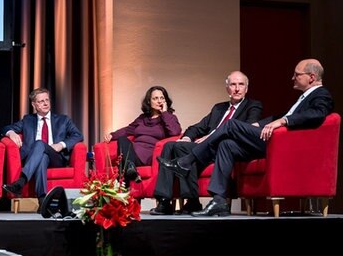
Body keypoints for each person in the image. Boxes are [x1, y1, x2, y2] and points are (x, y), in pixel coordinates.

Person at [158, 58, 333, 217]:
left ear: (311, 77)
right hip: (272, 138)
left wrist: (284, 121)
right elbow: (281, 115)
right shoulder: (304, 96)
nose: (293, 78)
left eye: (297, 74)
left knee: (231, 125)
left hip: (281, 144)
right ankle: (219, 200)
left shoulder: (321, 94)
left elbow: (317, 114)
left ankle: (186, 161)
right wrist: (263, 123)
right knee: (227, 144)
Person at [151, 71, 263, 215]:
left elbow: (244, 132)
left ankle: (191, 201)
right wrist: (187, 138)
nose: (237, 88)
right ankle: (165, 201)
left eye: (241, 85)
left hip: (224, 148)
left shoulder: (253, 106)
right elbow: (197, 127)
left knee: (181, 149)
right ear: (227, 89)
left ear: (246, 89)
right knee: (171, 145)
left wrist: (211, 136)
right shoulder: (219, 108)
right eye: (233, 84)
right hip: (206, 149)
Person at [1, 87, 84, 211]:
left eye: (47, 100)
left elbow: (78, 135)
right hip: (35, 157)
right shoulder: (28, 120)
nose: (45, 103)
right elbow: (5, 128)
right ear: (34, 105)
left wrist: (61, 144)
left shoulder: (63, 120)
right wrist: (11, 133)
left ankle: (21, 181)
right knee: (42, 156)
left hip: (56, 158)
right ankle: (42, 201)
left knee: (40, 144)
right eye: (41, 101)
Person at [104, 86, 182, 187]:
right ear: (149, 101)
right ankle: (130, 169)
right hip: (134, 153)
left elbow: (175, 132)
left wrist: (165, 113)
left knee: (122, 162)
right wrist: (112, 135)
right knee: (122, 139)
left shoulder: (169, 117)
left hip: (150, 154)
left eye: (162, 98)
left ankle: (126, 184)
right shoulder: (142, 118)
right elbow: (127, 130)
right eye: (155, 98)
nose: (159, 101)